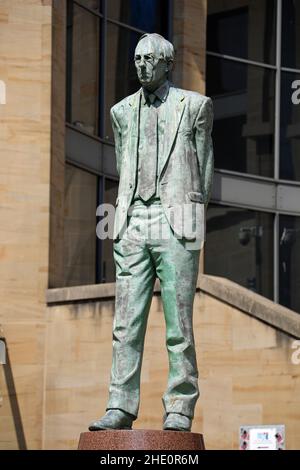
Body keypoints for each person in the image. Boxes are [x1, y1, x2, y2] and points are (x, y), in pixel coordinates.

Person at [89, 33, 214, 432]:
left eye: (149, 60)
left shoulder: (194, 106)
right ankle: (119, 405)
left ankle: (179, 406)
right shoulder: (121, 112)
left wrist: (192, 215)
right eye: (137, 59)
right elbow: (123, 163)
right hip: (132, 222)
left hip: (175, 220)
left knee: (179, 325)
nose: (141, 65)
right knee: (125, 323)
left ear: (167, 63)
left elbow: (205, 167)